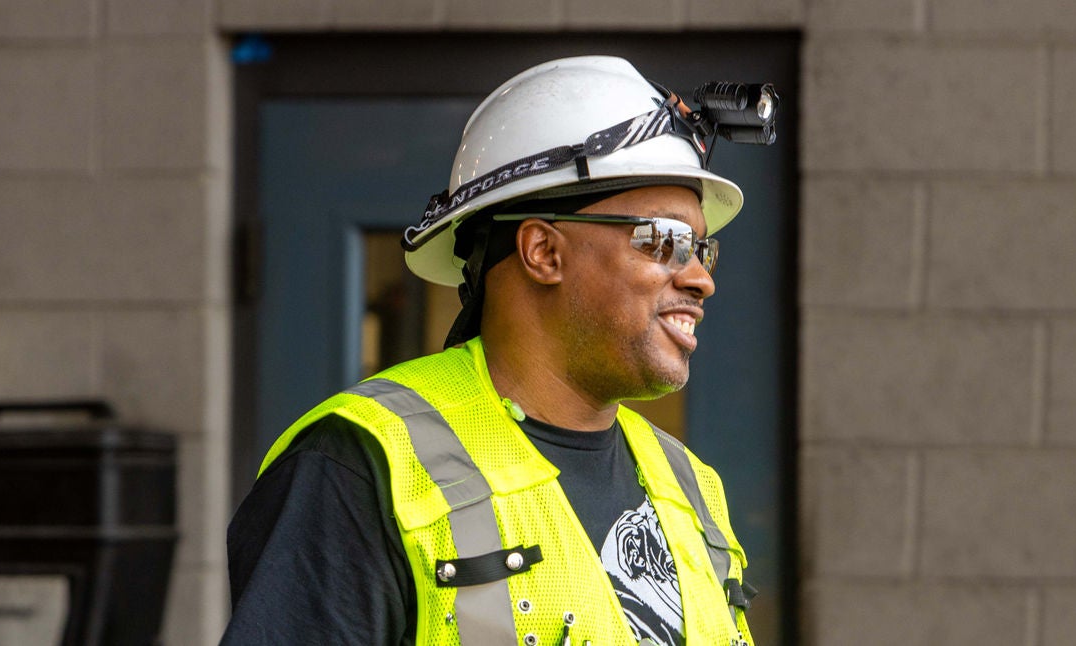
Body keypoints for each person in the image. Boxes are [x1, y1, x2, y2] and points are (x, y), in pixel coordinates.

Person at [224, 55, 775, 645]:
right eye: (665, 240)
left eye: (702, 249)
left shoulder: (691, 486)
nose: (700, 279)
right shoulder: (361, 467)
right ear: (543, 251)